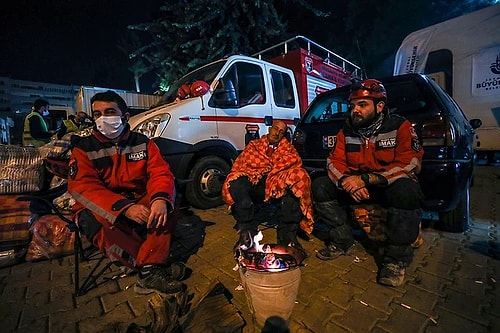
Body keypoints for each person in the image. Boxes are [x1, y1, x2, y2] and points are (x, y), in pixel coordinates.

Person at [67, 90, 185, 295]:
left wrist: (159, 200)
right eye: (97, 114)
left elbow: (160, 173)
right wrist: (125, 208)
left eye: (110, 111)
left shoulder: (143, 143)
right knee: (93, 220)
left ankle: (149, 268)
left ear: (125, 116)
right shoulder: (84, 149)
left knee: (167, 200)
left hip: (138, 199)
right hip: (105, 206)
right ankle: (151, 266)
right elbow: (84, 188)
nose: (102, 118)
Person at [311, 79, 424, 287]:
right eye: (353, 106)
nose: (355, 110)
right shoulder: (347, 131)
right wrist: (346, 181)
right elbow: (333, 162)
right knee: (320, 186)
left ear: (379, 106)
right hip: (357, 187)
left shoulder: (400, 126)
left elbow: (410, 163)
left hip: (385, 185)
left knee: (407, 190)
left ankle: (395, 260)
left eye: (362, 105)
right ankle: (342, 241)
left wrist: (366, 179)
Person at [222, 120, 314, 255]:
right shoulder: (254, 145)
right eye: (276, 129)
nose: (277, 133)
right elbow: (240, 165)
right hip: (255, 180)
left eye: (281, 132)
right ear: (270, 129)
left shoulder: (288, 149)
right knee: (235, 181)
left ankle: (287, 236)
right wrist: (260, 169)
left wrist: (274, 170)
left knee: (299, 177)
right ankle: (247, 234)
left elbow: (294, 163)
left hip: (276, 183)